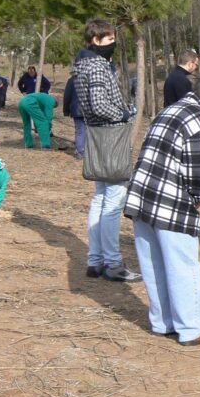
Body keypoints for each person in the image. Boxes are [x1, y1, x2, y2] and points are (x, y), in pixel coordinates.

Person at [124, 74, 200, 346]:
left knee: (153, 264)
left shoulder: (170, 110)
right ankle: (191, 328)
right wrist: (199, 197)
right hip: (171, 202)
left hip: (142, 197)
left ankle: (163, 322)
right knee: (183, 265)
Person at [73, 18, 140, 283]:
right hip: (110, 136)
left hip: (96, 135)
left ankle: (95, 260)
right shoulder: (98, 66)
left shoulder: (82, 65)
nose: (113, 43)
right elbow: (100, 105)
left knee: (101, 198)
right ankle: (112, 263)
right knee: (113, 201)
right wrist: (124, 114)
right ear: (95, 40)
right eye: (109, 39)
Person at [63, 70, 85, 159]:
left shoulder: (72, 80)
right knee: (87, 130)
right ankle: (85, 150)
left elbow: (67, 96)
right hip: (88, 109)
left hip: (76, 109)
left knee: (79, 130)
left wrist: (66, 110)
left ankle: (80, 151)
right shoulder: (89, 79)